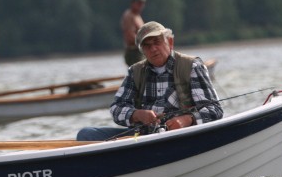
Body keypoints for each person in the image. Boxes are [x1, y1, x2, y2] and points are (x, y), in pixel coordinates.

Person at [77, 22, 223, 141]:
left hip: (181, 137)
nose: (153, 49)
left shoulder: (191, 66)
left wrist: (188, 119)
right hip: (141, 138)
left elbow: (214, 110)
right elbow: (116, 109)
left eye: (157, 42)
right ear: (142, 51)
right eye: (147, 45)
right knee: (86, 134)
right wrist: (137, 114)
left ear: (170, 42)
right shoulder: (135, 71)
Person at [121, 0, 146, 66]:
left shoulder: (137, 16)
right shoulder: (129, 16)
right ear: (133, 3)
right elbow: (130, 35)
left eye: (142, 3)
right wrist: (145, 42)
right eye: (139, 3)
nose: (141, 5)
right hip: (133, 53)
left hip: (139, 50)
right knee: (139, 75)